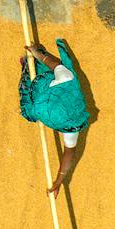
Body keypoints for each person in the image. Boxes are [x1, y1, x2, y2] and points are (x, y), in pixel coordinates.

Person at [19, 38, 92, 194]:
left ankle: (28, 69)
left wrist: (59, 181)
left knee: (28, 110)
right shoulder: (65, 78)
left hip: (40, 97)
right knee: (40, 62)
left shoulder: (71, 125)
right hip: (45, 83)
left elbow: (69, 153)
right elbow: (54, 63)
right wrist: (39, 55)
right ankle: (35, 55)